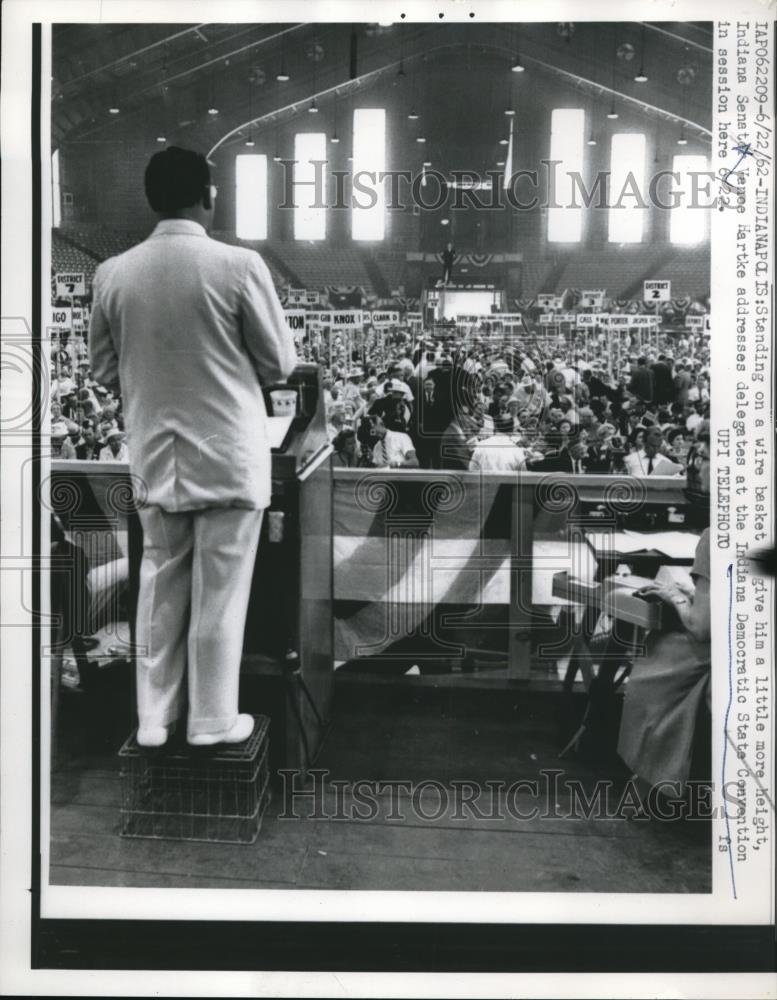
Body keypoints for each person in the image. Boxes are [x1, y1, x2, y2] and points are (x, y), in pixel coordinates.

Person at [89, 146, 297, 748]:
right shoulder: (238, 265)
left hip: (155, 453)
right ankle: (212, 719)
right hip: (229, 454)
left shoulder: (113, 272)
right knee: (221, 592)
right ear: (208, 194)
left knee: (157, 582)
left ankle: (154, 719)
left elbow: (104, 370)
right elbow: (280, 361)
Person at [617, 461, 711, 796]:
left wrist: (675, 596)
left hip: (718, 653)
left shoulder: (716, 537)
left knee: (652, 657)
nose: (697, 465)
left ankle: (650, 782)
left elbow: (701, 628)